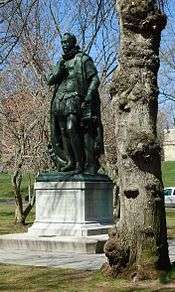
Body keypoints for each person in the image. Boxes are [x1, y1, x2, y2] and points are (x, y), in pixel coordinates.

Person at [47, 32, 103, 175]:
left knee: (72, 128)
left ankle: (80, 163)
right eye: (62, 43)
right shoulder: (61, 62)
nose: (64, 45)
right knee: (63, 132)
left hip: (76, 98)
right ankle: (70, 162)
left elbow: (95, 79)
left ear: (73, 43)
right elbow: (49, 80)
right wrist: (59, 71)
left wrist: (89, 95)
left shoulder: (83, 59)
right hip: (60, 100)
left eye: (67, 42)